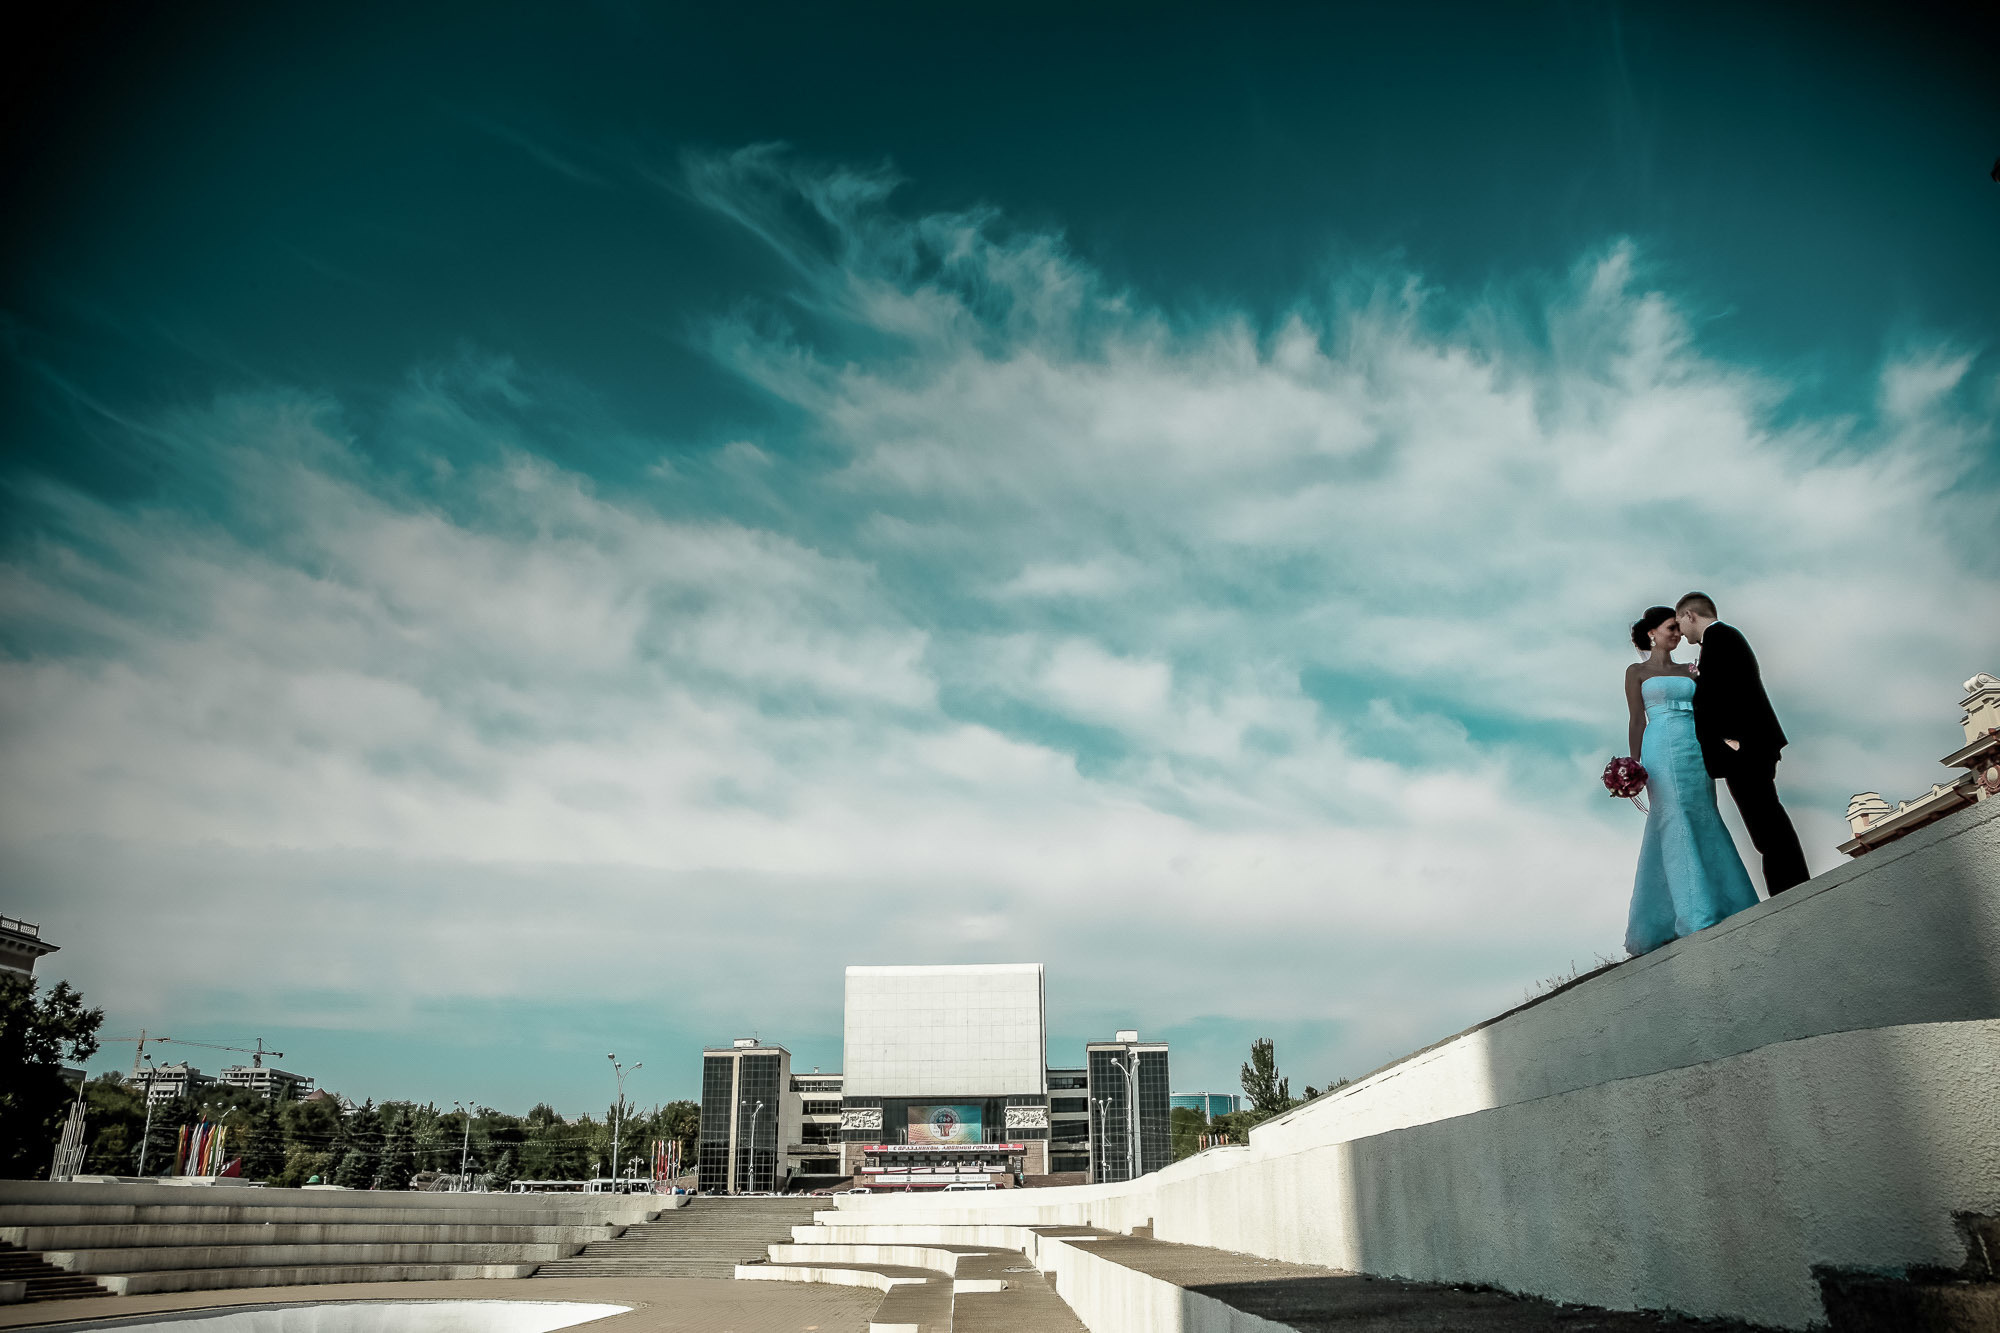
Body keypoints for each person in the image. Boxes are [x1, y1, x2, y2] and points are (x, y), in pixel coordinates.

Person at [1623, 605, 1760, 955]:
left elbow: (1710, 708)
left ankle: (1729, 901)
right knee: (1673, 818)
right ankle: (1693, 914)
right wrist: (1633, 765)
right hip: (1659, 748)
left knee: (1703, 814)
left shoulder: (1692, 669)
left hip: (1696, 747)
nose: (1677, 633)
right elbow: (1637, 720)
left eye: (1677, 627)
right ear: (1652, 632)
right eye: (1670, 628)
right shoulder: (1636, 672)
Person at [1675, 592, 1810, 895]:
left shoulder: (1721, 637)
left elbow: (1728, 692)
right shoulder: (1723, 638)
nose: (1681, 633)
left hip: (1744, 749)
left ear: (1690, 615)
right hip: (1748, 747)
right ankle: (1790, 885)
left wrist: (1731, 739)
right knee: (1766, 821)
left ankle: (1790, 889)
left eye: (1680, 623)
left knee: (1765, 824)